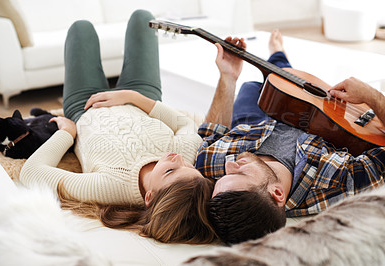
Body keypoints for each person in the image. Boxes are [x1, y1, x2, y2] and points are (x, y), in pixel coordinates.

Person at [18, 9, 243, 244]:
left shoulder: (108, 187)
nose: (177, 159)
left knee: (80, 28)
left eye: (170, 171)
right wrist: (134, 97)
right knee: (143, 18)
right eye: (189, 167)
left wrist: (67, 133)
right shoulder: (185, 156)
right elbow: (184, 122)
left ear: (149, 197)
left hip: (84, 106)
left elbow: (31, 173)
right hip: (139, 94)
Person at [195, 29, 385, 245]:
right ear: (277, 193)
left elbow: (212, 131)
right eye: (240, 173)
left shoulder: (211, 164)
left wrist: (228, 76)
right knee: (289, 85)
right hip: (315, 119)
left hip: (250, 123)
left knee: (253, 86)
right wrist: (373, 96)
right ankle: (278, 54)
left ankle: (277, 60)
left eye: (221, 177)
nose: (230, 165)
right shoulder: (336, 182)